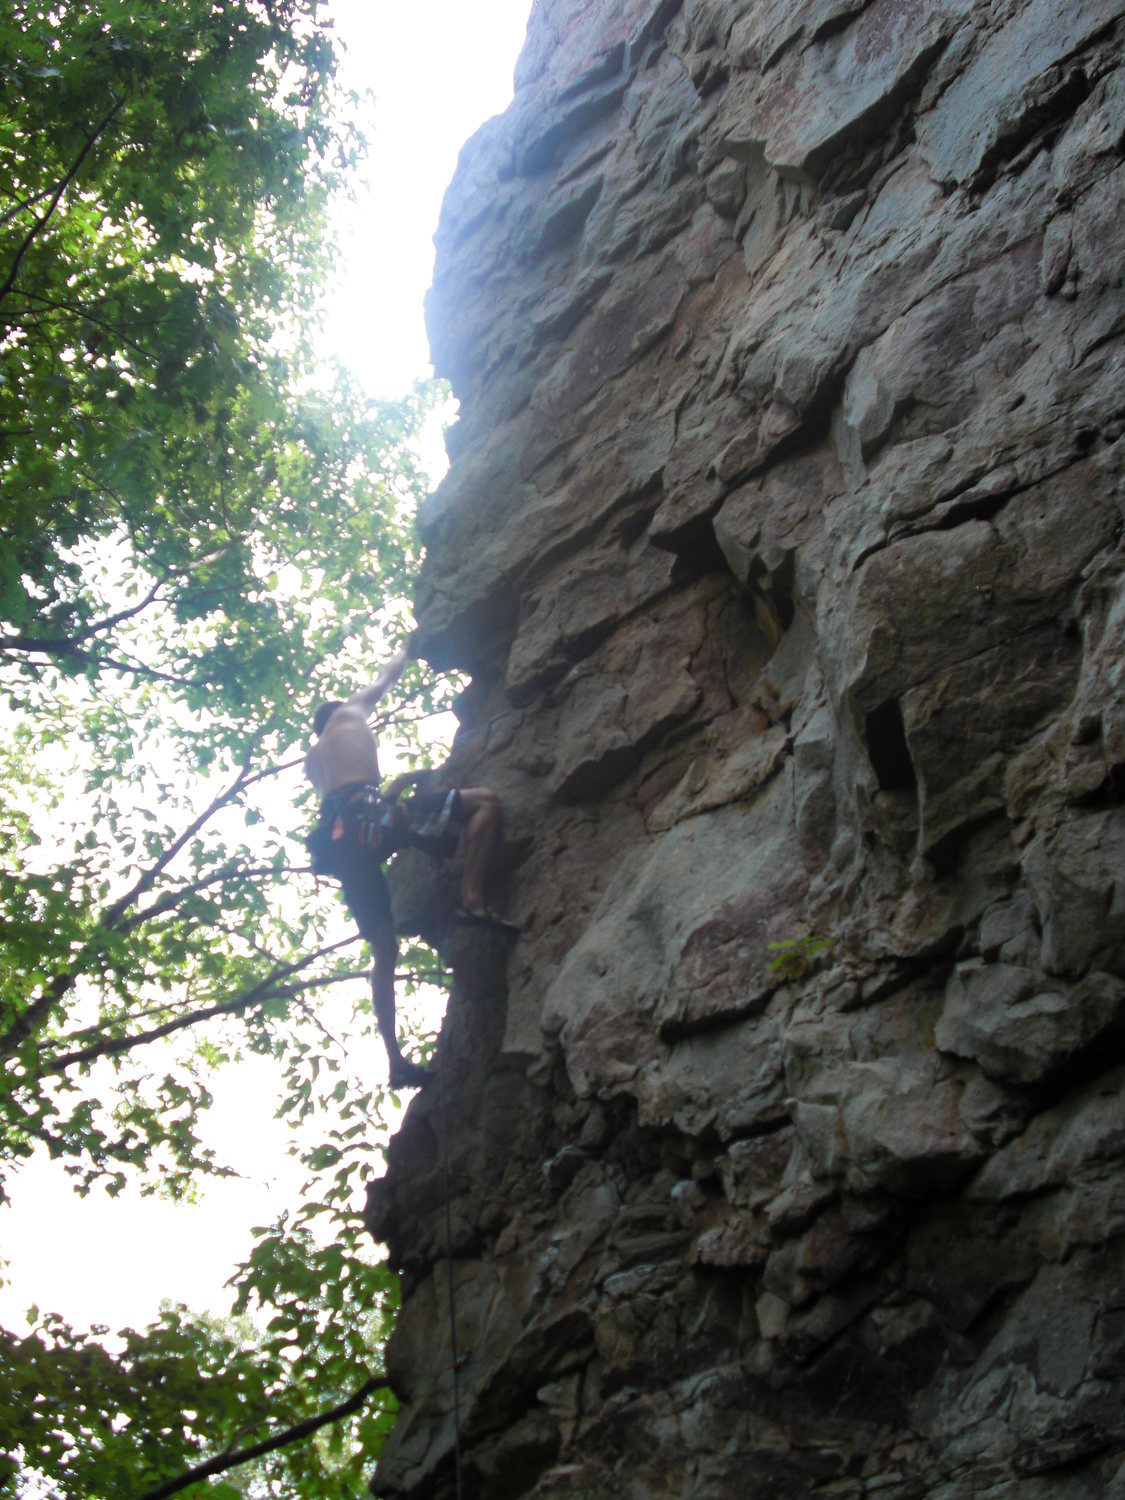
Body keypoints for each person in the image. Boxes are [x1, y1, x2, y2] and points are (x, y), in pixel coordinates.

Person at [303, 640, 511, 1088]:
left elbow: (355, 806)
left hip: (342, 844)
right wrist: (407, 645)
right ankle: (472, 900)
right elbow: (385, 677)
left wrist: (398, 785)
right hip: (369, 819)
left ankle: (395, 1060)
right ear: (337, 713)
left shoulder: (314, 761)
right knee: (486, 803)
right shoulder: (347, 713)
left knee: (384, 953)